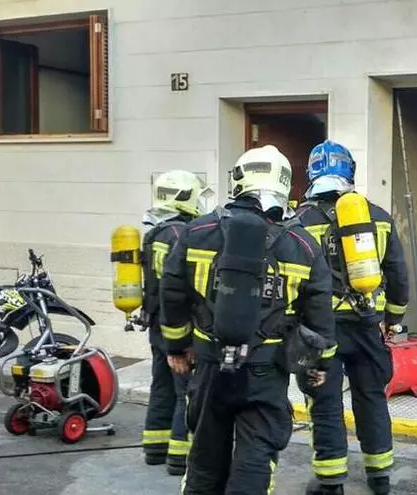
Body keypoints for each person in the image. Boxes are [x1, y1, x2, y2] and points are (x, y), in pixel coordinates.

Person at [159, 144, 337, 495]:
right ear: (284, 184)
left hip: (209, 366)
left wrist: (177, 347)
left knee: (205, 458)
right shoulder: (303, 246)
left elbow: (172, 292)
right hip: (266, 372)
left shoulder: (196, 232)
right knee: (256, 456)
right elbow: (320, 316)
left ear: (238, 181)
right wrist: (320, 365)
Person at [293, 140, 410, 495]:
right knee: (371, 397)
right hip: (367, 324)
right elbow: (398, 275)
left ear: (312, 173)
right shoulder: (379, 217)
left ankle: (331, 482)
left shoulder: (300, 222)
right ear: (350, 172)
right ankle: (380, 476)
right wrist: (392, 319)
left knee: (325, 401)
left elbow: (293, 278)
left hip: (321, 330)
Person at [139, 170, 206, 476]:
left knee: (161, 384)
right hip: (178, 325)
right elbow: (182, 289)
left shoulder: (154, 232)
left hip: (155, 322)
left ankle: (155, 447)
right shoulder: (182, 234)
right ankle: (181, 456)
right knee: (186, 389)